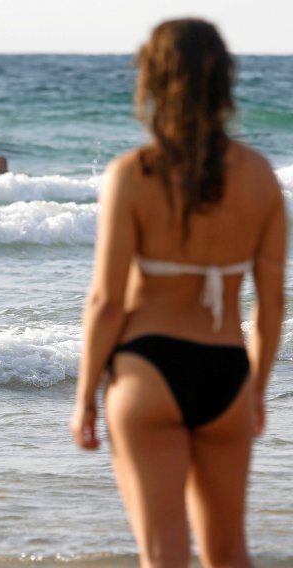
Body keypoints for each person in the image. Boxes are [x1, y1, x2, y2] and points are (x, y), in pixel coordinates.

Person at [70, 19, 286, 566]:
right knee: (229, 553)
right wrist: (256, 390)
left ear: (153, 81)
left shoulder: (133, 175)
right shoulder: (260, 178)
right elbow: (271, 305)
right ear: (223, 85)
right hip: (227, 372)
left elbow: (107, 302)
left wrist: (85, 397)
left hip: (147, 372)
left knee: (164, 554)